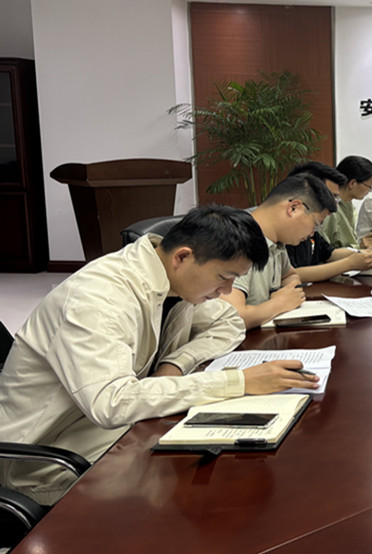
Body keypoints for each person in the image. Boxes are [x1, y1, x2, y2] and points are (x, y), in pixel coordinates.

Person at [0, 205, 320, 505]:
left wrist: (174, 364)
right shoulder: (98, 299)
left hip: (102, 431)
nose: (227, 291)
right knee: (198, 485)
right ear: (183, 256)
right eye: (224, 278)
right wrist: (238, 382)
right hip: (43, 461)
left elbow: (229, 322)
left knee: (215, 460)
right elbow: (112, 403)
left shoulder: (170, 280)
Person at [225, 173, 337, 329]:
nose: (313, 233)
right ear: (294, 208)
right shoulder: (236, 239)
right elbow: (231, 318)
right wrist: (279, 303)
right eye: (316, 224)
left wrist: (288, 290)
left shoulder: (277, 242)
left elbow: (291, 275)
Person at [284, 161, 372, 282]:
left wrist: (364, 253)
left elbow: (330, 253)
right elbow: (291, 274)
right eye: (331, 197)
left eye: (336, 198)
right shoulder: (286, 231)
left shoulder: (309, 226)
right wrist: (349, 263)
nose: (334, 207)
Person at [321, 155, 372, 249]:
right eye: (370, 186)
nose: (369, 191)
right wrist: (359, 247)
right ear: (352, 183)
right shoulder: (330, 210)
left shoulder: (349, 206)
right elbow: (325, 251)